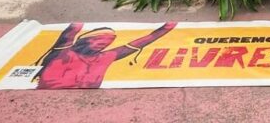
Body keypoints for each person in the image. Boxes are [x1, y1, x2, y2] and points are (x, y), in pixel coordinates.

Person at [33, 22, 177, 89]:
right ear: (82, 41)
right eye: (97, 39)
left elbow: (141, 42)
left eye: (105, 42)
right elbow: (72, 30)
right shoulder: (64, 50)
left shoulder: (105, 56)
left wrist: (166, 28)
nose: (101, 44)